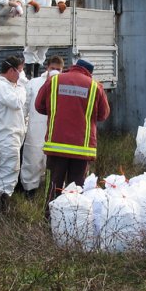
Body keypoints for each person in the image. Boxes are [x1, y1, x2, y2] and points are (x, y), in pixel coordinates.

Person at [35, 59, 110, 218]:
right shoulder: (95, 86)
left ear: (73, 66)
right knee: (76, 189)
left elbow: (39, 106)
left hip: (56, 146)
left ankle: (49, 220)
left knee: (53, 186)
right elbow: (103, 115)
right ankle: (73, 223)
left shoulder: (54, 80)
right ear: (89, 72)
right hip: (81, 149)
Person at [0, 55, 27, 211]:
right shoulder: (1, 87)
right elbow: (16, 103)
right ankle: (0, 206)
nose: (21, 75)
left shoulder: (7, 86)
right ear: (11, 71)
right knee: (8, 169)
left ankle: (1, 202)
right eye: (20, 71)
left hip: (10, 135)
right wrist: (22, 88)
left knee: (9, 168)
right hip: (5, 135)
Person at [20, 55, 65, 198]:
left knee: (55, 162)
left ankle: (55, 191)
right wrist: (22, 124)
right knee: (32, 159)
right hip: (36, 128)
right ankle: (29, 190)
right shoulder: (34, 83)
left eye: (58, 69)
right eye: (53, 69)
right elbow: (25, 105)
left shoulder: (64, 84)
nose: (55, 72)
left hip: (56, 130)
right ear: (47, 67)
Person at [18, 0, 67, 75]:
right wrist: (31, 1)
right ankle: (29, 74)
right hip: (33, 12)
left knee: (44, 44)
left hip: (46, 15)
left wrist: (60, 1)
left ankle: (37, 72)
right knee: (31, 44)